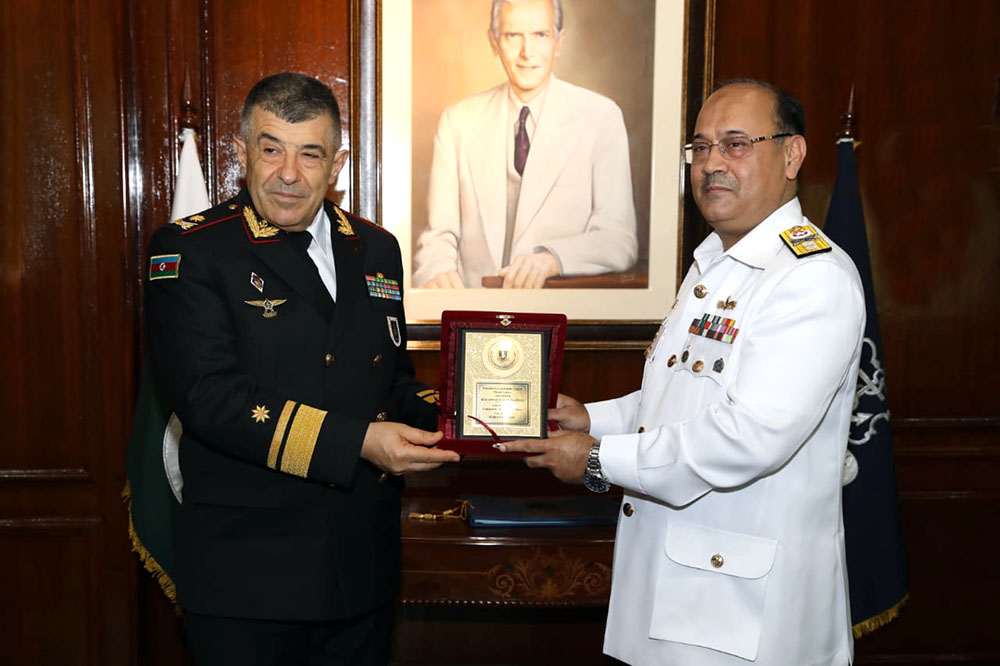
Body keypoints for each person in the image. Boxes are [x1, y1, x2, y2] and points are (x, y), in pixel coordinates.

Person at [500, 79, 864, 665]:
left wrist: (597, 458)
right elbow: (681, 395)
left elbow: (748, 437)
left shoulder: (810, 277)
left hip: (743, 617)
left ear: (792, 155)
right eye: (701, 147)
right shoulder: (714, 264)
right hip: (677, 594)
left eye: (736, 144)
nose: (712, 163)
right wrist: (590, 419)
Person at [145, 72, 460, 666]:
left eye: (309, 154)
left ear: (337, 164)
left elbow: (390, 383)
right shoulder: (191, 249)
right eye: (271, 149)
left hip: (360, 569)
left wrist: (468, 413)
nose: (288, 173)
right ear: (241, 153)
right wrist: (359, 443)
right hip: (248, 577)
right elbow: (210, 398)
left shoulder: (377, 248)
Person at [412, 0, 638, 289]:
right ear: (493, 42)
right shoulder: (457, 121)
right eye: (512, 36)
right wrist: (438, 270)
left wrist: (553, 259)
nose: (527, 52)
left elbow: (619, 239)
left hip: (559, 309)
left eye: (540, 35)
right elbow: (438, 236)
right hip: (475, 308)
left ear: (559, 42)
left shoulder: (601, 117)